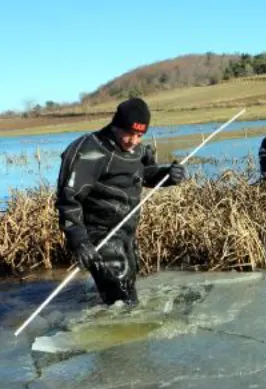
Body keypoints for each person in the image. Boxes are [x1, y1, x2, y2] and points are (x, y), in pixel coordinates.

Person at [55, 97, 186, 307]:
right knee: (124, 300)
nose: (133, 141)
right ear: (116, 125)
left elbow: (146, 174)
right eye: (129, 134)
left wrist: (168, 175)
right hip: (98, 236)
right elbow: (68, 200)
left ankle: (117, 330)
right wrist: (79, 242)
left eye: (140, 135)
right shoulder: (88, 150)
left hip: (125, 232)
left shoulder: (138, 150)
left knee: (126, 289)